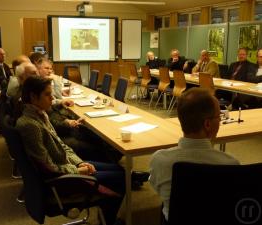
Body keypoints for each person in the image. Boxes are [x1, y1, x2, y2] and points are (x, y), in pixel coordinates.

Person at [16, 76, 125, 225]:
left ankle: (106, 215)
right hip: (63, 179)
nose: (52, 98)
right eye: (48, 94)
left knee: (119, 169)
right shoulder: (30, 125)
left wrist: (80, 163)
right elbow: (48, 168)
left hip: (68, 165)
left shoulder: (40, 114)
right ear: (33, 97)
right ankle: (109, 220)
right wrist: (79, 171)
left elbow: (62, 146)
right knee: (122, 178)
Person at [149, 87, 239, 223]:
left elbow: (157, 188)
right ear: (208, 124)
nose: (220, 120)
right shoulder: (231, 164)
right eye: (219, 116)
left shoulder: (159, 160)